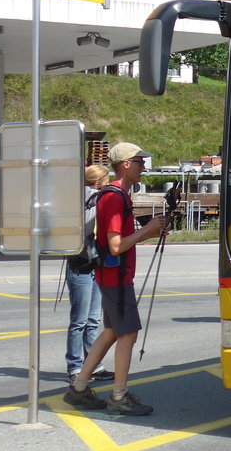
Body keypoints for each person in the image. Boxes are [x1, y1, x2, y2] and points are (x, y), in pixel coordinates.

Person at [64, 142, 169, 416]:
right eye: (138, 161)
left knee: (112, 331)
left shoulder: (119, 195)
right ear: (125, 164)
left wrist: (150, 231)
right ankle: (118, 396)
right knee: (128, 333)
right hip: (116, 277)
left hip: (114, 276)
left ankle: (79, 388)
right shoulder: (113, 197)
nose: (143, 166)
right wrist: (147, 230)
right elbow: (115, 246)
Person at [64, 165, 114, 384]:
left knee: (91, 320)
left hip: (89, 262)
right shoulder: (90, 199)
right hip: (84, 262)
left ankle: (92, 364)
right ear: (97, 182)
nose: (108, 181)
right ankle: (76, 365)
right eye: (106, 178)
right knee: (82, 320)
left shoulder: (89, 198)